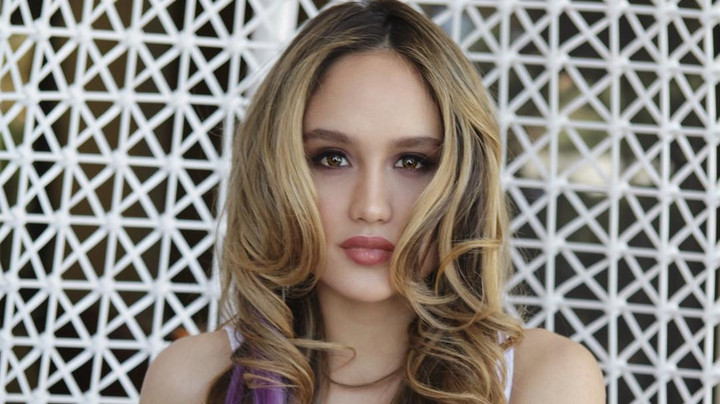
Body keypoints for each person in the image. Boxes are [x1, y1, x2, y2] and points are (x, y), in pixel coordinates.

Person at [139, 0, 605, 403]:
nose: (371, 207)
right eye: (332, 158)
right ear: (277, 171)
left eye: (412, 162)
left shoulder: (542, 379)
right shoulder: (191, 379)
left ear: (463, 181)